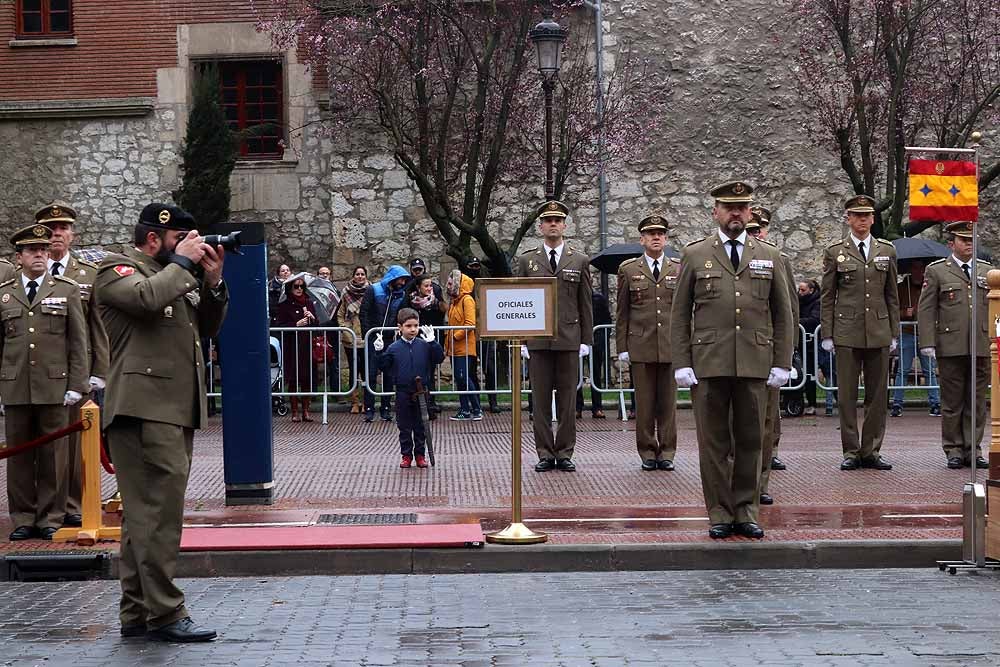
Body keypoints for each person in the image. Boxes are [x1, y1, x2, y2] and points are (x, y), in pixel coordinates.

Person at [96, 203, 227, 642]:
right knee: (159, 517)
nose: (190, 247)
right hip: (141, 409)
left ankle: (136, 612)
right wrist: (184, 262)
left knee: (142, 519)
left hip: (170, 410)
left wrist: (212, 281)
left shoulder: (176, 274)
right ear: (153, 239)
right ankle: (167, 613)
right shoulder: (118, 269)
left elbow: (207, 327)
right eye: (179, 240)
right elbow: (145, 300)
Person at [671, 181, 793, 540]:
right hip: (709, 362)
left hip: (755, 361)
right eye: (729, 207)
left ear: (751, 212)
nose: (736, 213)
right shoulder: (695, 255)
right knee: (714, 443)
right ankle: (719, 512)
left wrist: (782, 361)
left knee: (753, 440)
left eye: (743, 208)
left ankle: (747, 510)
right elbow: (680, 315)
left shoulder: (769, 255)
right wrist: (681, 362)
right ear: (716, 212)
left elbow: (783, 313)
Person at [1, 224, 88, 541]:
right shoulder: (5, 294)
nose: (39, 254)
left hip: (56, 387)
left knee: (54, 456)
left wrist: (77, 384)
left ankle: (51, 516)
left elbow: (78, 342)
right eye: (31, 250)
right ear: (19, 257)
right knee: (19, 456)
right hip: (16, 387)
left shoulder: (66, 289)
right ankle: (23, 517)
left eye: (42, 249)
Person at [36, 201, 110, 527]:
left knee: (77, 442)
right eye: (51, 230)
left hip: (77, 373)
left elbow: (99, 329)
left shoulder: (87, 274)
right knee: (41, 444)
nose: (57, 235)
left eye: (63, 229)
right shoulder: (24, 271)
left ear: (72, 234)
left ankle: (73, 504)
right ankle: (44, 508)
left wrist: (99, 373)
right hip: (38, 371)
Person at [820, 194, 900, 471]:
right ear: (848, 218)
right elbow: (828, 295)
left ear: (873, 219)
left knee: (878, 396)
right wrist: (827, 333)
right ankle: (851, 450)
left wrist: (894, 332)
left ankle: (872, 450)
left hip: (878, 330)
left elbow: (892, 295)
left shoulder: (886, 250)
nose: (862, 220)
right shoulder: (835, 252)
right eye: (857, 215)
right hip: (846, 331)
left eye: (866, 215)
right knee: (847, 396)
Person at [514, 200, 594, 472]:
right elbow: (520, 302)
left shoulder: (580, 259)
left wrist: (586, 340)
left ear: (564, 225)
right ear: (540, 226)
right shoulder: (528, 260)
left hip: (569, 339)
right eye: (548, 220)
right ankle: (545, 453)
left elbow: (585, 303)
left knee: (568, 401)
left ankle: (565, 451)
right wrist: (523, 340)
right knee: (539, 401)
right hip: (538, 341)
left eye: (557, 220)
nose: (553, 225)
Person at [917, 221, 991, 469]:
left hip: (980, 344)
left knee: (977, 402)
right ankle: (954, 449)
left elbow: (995, 309)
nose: (969, 244)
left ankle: (974, 448)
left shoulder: (987, 271)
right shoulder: (938, 271)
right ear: (951, 244)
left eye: (971, 240)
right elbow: (926, 309)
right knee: (952, 402)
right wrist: (927, 341)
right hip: (951, 345)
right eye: (963, 240)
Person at [616, 213, 679, 471]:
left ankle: (667, 452)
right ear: (642, 239)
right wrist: (621, 347)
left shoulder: (678, 267)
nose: (656, 237)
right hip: (640, 345)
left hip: (670, 345)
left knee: (668, 404)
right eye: (651, 234)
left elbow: (685, 311)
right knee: (644, 405)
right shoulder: (629, 269)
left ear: (665, 238)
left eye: (660, 234)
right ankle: (647, 452)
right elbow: (623, 312)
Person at [746, 205, 799, 504]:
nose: (755, 234)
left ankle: (760, 481)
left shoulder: (777, 259)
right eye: (751, 229)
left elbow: (788, 309)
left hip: (767, 350)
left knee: (767, 421)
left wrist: (785, 353)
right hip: (738, 351)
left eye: (759, 229)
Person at [378, 308, 445, 468]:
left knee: (421, 425)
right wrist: (379, 352)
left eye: (416, 325)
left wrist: (433, 343)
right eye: (408, 326)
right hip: (403, 390)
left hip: (422, 391)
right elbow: (384, 367)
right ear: (400, 327)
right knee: (404, 426)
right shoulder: (394, 348)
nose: (413, 329)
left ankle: (420, 455)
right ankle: (406, 455)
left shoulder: (424, 345)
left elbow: (439, 358)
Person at [361, 265, 411, 422]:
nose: (403, 283)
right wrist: (369, 334)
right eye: (401, 279)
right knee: (371, 373)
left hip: (390, 338)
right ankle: (369, 408)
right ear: (393, 278)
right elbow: (364, 313)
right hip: (373, 337)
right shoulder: (373, 290)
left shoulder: (401, 295)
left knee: (389, 374)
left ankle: (386, 408)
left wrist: (398, 330)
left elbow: (402, 315)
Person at [892, 259, 940, 417]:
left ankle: (935, 403)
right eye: (916, 268)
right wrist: (905, 313)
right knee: (902, 371)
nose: (919, 271)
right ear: (911, 270)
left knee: (929, 371)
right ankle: (897, 403)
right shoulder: (901, 288)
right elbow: (893, 310)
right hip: (906, 333)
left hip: (925, 334)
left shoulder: (929, 287)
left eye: (922, 268)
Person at [273, 277, 318, 422]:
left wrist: (312, 318)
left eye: (301, 287)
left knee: (306, 378)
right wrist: (295, 324)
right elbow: (279, 326)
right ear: (290, 288)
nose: (299, 289)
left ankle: (305, 410)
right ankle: (294, 411)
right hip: (291, 346)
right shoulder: (284, 305)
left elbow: (317, 326)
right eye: (296, 287)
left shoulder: (309, 303)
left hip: (306, 345)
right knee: (293, 378)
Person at [444, 270, 483, 421]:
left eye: (450, 282)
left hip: (464, 347)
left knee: (464, 378)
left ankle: (476, 409)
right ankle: (465, 409)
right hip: (455, 347)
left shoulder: (467, 300)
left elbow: (470, 323)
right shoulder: (454, 301)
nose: (448, 285)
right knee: (461, 379)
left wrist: (455, 336)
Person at [334, 266, 370, 414]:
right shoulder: (346, 292)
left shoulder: (371, 291)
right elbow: (340, 315)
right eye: (357, 274)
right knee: (353, 370)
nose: (360, 276)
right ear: (353, 276)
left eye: (362, 274)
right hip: (351, 337)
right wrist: (346, 331)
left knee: (366, 371)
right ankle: (355, 401)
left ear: (366, 276)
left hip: (366, 336)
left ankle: (367, 402)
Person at [578, 285, 610, 419]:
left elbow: (607, 321)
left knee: (596, 375)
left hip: (595, 342)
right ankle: (577, 407)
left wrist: (601, 340)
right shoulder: (575, 299)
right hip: (577, 342)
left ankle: (597, 407)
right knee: (575, 375)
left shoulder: (598, 299)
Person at [797, 279, 822, 415]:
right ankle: (802, 401)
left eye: (803, 290)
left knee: (813, 373)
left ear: (811, 290)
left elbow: (815, 320)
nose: (800, 293)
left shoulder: (817, 302)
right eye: (799, 290)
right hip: (801, 341)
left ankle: (813, 403)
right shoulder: (798, 301)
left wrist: (796, 322)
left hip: (814, 342)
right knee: (803, 373)